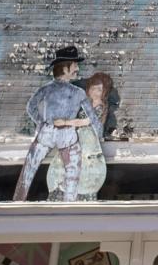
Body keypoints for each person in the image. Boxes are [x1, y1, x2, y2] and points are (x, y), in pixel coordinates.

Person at [13, 46, 103, 202]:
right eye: (74, 65)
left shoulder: (47, 89)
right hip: (67, 135)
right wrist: (99, 135)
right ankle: (69, 206)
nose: (77, 68)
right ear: (65, 68)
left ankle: (18, 201)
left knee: (30, 167)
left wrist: (42, 122)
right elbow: (92, 117)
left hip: (48, 132)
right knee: (73, 172)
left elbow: (31, 107)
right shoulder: (78, 93)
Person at [47, 72, 111, 201]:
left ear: (104, 91)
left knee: (84, 165)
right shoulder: (85, 103)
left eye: (100, 89)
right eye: (94, 88)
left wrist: (65, 122)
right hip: (76, 136)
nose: (96, 92)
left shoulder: (100, 106)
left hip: (88, 139)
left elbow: (86, 122)